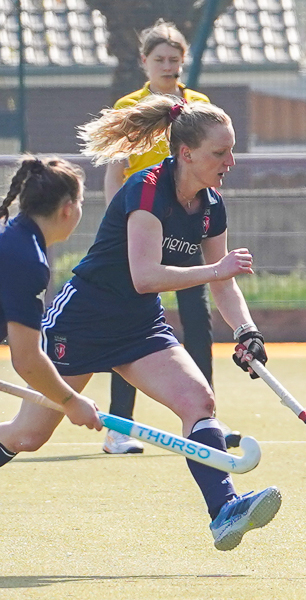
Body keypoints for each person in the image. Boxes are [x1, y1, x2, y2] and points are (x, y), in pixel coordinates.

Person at [24, 95, 278, 551]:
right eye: (220, 152)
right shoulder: (147, 189)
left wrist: (246, 331)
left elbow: (224, 285)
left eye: (231, 150)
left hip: (140, 327)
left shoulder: (212, 206)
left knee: (199, 401)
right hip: (83, 320)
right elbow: (146, 276)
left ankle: (225, 511)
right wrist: (215, 270)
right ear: (186, 153)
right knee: (29, 435)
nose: (231, 162)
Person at [100, 19, 239, 454]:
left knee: (197, 319)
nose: (167, 66)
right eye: (159, 59)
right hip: (143, 227)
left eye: (174, 60)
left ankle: (205, 420)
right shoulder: (130, 106)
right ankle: (119, 426)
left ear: (183, 62)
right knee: (128, 322)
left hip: (183, 229)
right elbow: (115, 173)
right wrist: (120, 224)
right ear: (144, 61)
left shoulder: (199, 106)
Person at [0, 155, 104, 465]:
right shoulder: (26, 259)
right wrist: (70, 401)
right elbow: (27, 360)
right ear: (67, 209)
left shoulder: (14, 240)